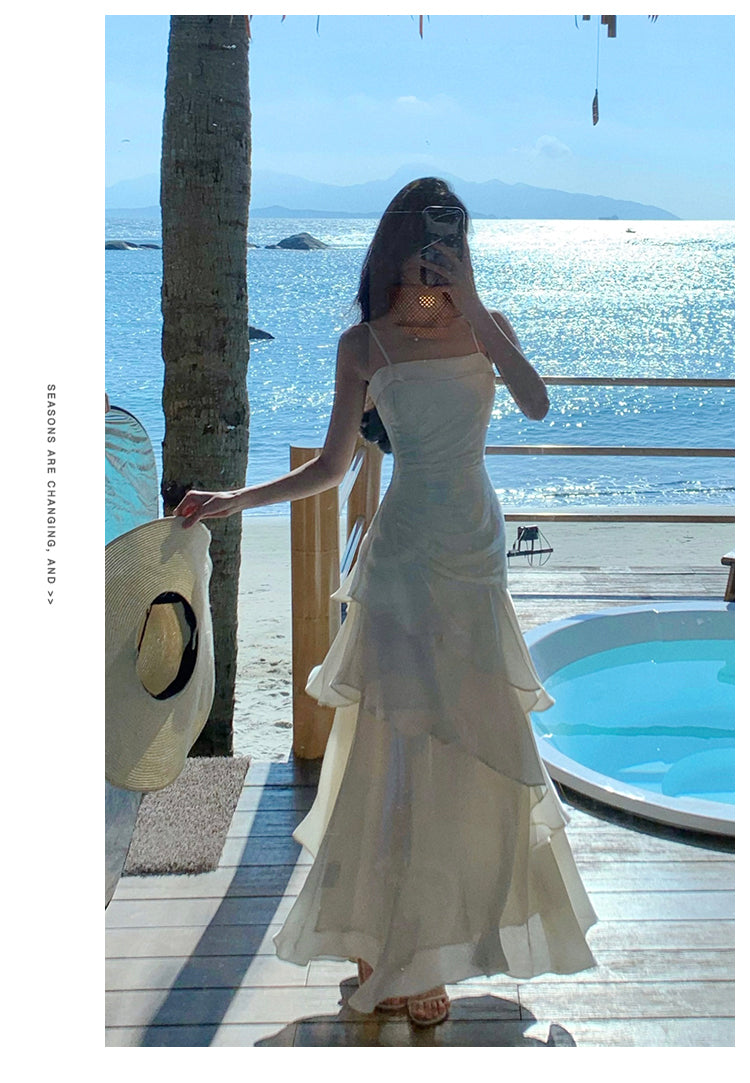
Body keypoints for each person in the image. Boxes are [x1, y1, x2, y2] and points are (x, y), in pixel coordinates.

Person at [175, 177, 597, 1028]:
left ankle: (434, 947)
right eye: (427, 237)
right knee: (396, 753)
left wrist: (473, 306)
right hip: (403, 562)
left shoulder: (489, 326)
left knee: (471, 751)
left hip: (474, 555)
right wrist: (235, 498)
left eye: (453, 237)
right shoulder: (363, 344)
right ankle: (386, 947)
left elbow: (537, 402)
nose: (438, 252)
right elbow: (333, 468)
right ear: (395, 245)